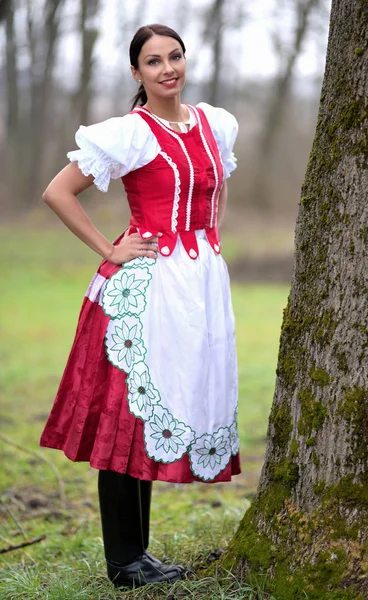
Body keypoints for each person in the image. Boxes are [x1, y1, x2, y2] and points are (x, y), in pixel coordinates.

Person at [40, 23, 240, 589]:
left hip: (195, 285)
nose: (167, 68)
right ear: (137, 73)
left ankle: (139, 556)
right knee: (126, 422)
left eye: (174, 57)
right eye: (153, 62)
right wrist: (112, 248)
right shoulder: (130, 133)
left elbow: (215, 186)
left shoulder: (214, 124)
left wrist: (206, 242)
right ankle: (124, 563)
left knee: (154, 421)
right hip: (142, 288)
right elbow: (58, 192)